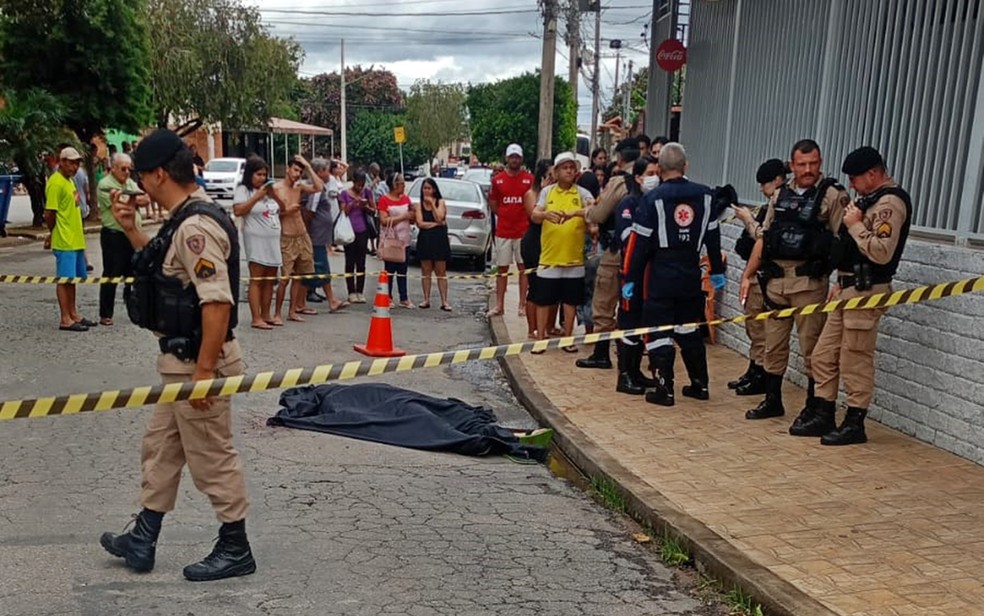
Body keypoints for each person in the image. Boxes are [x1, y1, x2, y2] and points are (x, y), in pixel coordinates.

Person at [100, 129, 255, 582]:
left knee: (212, 455)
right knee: (162, 449)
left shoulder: (195, 227)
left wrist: (205, 372)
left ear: (160, 174)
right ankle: (143, 537)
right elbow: (158, 266)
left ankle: (235, 546)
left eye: (142, 177)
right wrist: (130, 228)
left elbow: (217, 302)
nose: (138, 186)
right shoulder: (183, 217)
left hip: (197, 365)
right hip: (182, 365)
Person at [800, 147, 911, 445]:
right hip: (847, 288)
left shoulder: (890, 203)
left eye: (855, 178)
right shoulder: (870, 200)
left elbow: (881, 251)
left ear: (873, 174)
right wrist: (840, 281)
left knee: (855, 359)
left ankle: (854, 422)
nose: (851, 185)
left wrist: (856, 225)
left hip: (867, 292)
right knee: (823, 355)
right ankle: (823, 412)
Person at [739, 139, 848, 425]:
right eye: (802, 164)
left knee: (812, 347)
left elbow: (842, 241)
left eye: (814, 163)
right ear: (792, 165)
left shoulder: (833, 196)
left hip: (809, 284)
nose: (808, 169)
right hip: (776, 283)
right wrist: (749, 274)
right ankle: (773, 399)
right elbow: (766, 235)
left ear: (821, 162)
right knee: (772, 344)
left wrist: (840, 283)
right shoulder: (780, 195)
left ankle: (815, 406)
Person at [622, 143, 726, 406]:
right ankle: (700, 385)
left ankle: (664, 389)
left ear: (659, 169)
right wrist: (717, 271)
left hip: (661, 274)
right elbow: (714, 240)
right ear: (685, 166)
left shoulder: (652, 199)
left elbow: (639, 246)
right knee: (688, 327)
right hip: (691, 272)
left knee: (659, 330)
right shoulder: (706, 196)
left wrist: (630, 279)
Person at [577, 138, 642, 370]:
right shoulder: (657, 178)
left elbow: (598, 215)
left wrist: (588, 211)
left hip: (617, 251)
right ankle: (633, 361)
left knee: (604, 303)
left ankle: (601, 353)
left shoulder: (620, 182)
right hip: (645, 254)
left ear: (620, 158)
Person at [730, 158, 788, 394]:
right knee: (754, 327)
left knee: (763, 330)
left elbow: (764, 238)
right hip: (757, 274)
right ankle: (754, 369)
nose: (761, 189)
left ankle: (762, 374)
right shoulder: (770, 204)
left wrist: (748, 221)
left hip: (767, 274)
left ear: (776, 180)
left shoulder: (783, 204)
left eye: (764, 183)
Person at [530, 152, 594, 352]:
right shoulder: (547, 192)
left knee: (570, 302)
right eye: (564, 168)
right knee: (543, 300)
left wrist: (575, 213)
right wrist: (546, 214)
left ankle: (567, 338)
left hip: (574, 259)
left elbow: (593, 211)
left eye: (572, 168)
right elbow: (534, 215)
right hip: (549, 257)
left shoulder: (582, 193)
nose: (569, 171)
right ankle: (541, 338)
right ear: (556, 172)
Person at [613, 156, 661, 395]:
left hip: (651, 276)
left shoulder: (655, 203)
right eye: (650, 173)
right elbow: (629, 239)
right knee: (628, 323)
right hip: (631, 274)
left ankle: (635, 372)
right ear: (638, 177)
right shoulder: (628, 205)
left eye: (657, 173)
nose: (654, 178)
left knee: (642, 325)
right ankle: (624, 375)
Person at [44, 146, 94, 331]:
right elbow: (50, 213)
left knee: (73, 280)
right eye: (71, 163)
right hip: (64, 239)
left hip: (76, 239)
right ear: (62, 162)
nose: (75, 167)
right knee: (64, 280)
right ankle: (65, 318)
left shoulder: (70, 181)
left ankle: (73, 313)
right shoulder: (56, 183)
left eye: (77, 163)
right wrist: (52, 233)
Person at [97, 153, 149, 326]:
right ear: (113, 168)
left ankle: (135, 309)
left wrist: (132, 198)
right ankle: (106, 313)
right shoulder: (105, 185)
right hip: (114, 235)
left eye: (129, 169)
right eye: (123, 169)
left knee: (133, 273)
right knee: (111, 274)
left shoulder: (129, 183)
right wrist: (133, 199)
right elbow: (125, 204)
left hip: (131, 234)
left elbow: (145, 199)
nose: (127, 172)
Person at [233, 156, 285, 329]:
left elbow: (283, 210)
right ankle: (256, 317)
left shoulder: (269, 192)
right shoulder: (243, 190)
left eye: (264, 174)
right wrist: (257, 196)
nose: (262, 178)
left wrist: (274, 196)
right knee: (257, 278)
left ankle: (266, 314)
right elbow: (239, 210)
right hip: (256, 240)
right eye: (258, 174)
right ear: (250, 174)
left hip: (273, 240)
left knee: (270, 278)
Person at [273, 155, 324, 324]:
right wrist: (288, 211)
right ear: (287, 169)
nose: (297, 174)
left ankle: (293, 310)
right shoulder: (277, 188)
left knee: (300, 275)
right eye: (295, 170)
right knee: (285, 278)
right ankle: (277, 313)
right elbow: (273, 214)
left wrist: (309, 167)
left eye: (299, 172)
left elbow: (319, 187)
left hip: (301, 234)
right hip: (286, 236)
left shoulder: (299, 186)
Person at [488, 144, 534, 317]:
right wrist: (505, 214)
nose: (514, 160)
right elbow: (493, 204)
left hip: (523, 232)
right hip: (504, 231)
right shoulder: (498, 180)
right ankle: (499, 305)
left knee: (524, 268)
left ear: (521, 159)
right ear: (507, 158)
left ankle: (522, 304)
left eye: (517, 157)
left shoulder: (529, 179)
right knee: (502, 269)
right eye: (511, 157)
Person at [302, 158, 349, 312]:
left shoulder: (321, 187)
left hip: (321, 235)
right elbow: (309, 212)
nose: (329, 173)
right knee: (320, 266)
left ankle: (326, 299)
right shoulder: (316, 189)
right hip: (316, 235)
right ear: (319, 172)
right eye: (326, 170)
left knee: (318, 267)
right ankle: (329, 300)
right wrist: (309, 233)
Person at [521, 159, 554, 338]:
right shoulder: (532, 194)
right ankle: (532, 328)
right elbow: (534, 216)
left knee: (549, 287)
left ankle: (547, 326)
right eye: (550, 175)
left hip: (550, 241)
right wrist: (543, 191)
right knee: (535, 287)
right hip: (534, 242)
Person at [378, 172, 415, 308]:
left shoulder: (406, 199)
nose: (403, 186)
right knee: (390, 270)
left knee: (403, 270)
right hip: (391, 239)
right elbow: (383, 220)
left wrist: (412, 215)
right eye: (401, 184)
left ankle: (404, 297)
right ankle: (388, 296)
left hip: (404, 239)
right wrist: (403, 216)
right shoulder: (384, 200)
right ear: (394, 185)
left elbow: (411, 219)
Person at [415, 178, 452, 310]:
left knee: (441, 270)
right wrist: (436, 225)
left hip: (439, 239)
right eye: (424, 188)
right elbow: (420, 223)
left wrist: (432, 205)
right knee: (426, 270)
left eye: (429, 188)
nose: (426, 191)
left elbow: (440, 217)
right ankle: (426, 299)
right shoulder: (419, 205)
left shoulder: (440, 202)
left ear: (434, 190)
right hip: (425, 239)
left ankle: (444, 301)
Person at [339, 170, 375, 304]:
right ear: (353, 182)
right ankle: (351, 291)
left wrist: (365, 206)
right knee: (350, 262)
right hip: (349, 231)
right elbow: (344, 211)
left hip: (362, 231)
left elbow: (373, 210)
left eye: (362, 185)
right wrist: (354, 203)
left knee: (361, 262)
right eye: (358, 185)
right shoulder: (344, 194)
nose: (360, 188)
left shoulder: (367, 193)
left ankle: (360, 291)